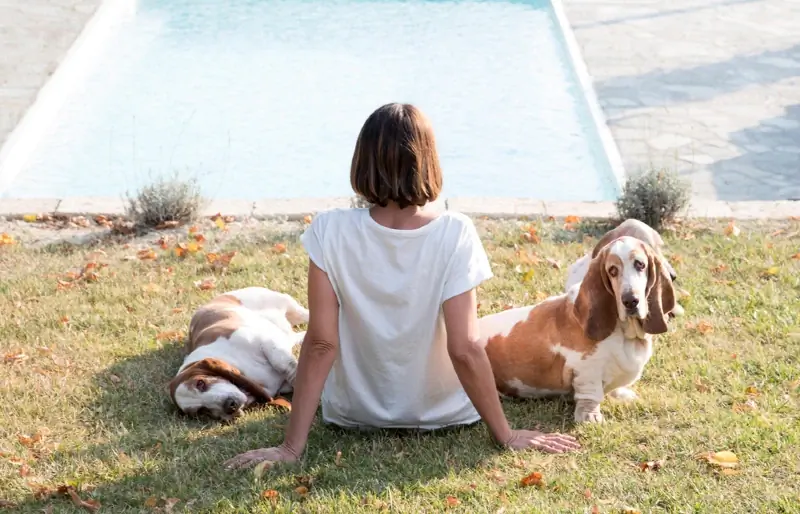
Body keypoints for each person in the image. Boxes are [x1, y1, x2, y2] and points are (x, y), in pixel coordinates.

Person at [224, 103, 580, 470]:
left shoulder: (329, 230)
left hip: (352, 413)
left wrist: (291, 448)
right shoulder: (455, 232)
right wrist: (505, 434)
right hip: (443, 412)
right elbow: (466, 348)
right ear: (428, 161)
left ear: (362, 161)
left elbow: (321, 343)